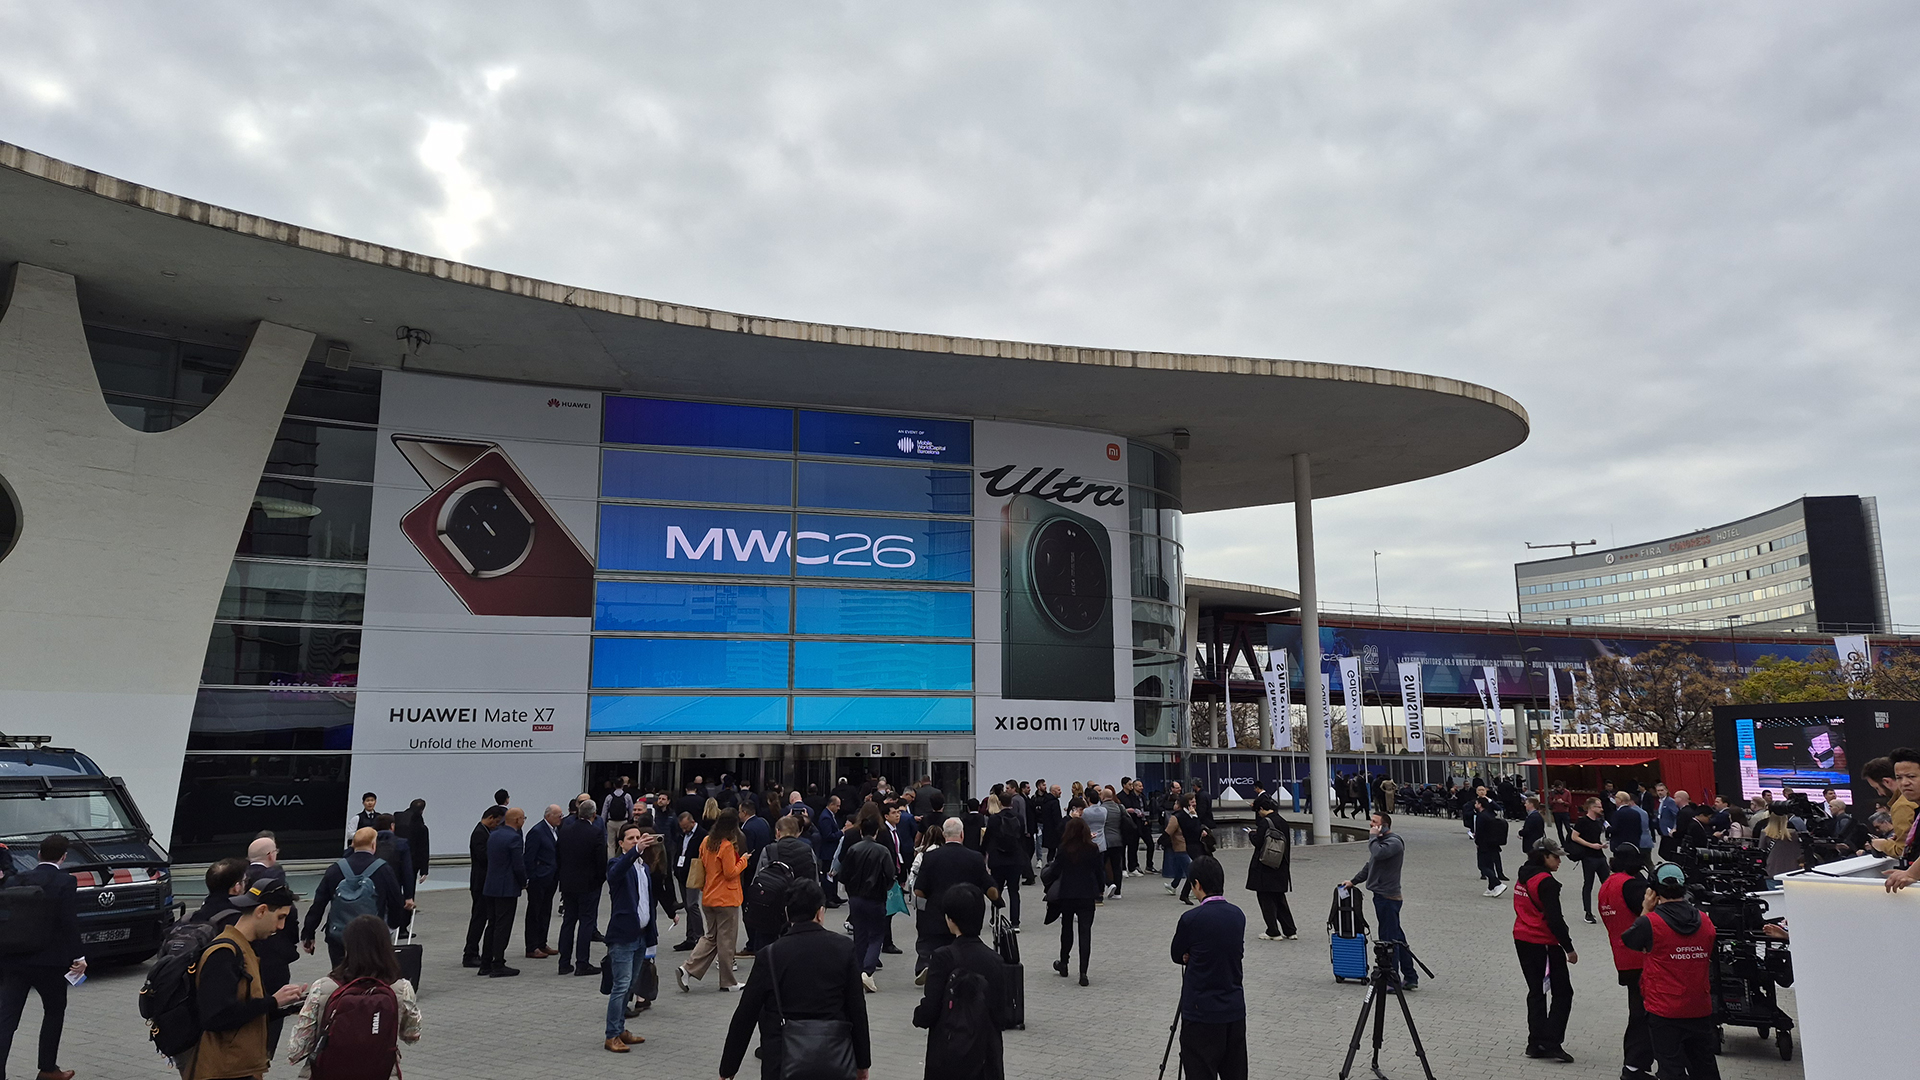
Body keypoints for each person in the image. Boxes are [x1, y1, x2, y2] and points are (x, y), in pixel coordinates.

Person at [718, 879, 871, 1080]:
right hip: (833, 1057)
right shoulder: (844, 949)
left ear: (788, 914)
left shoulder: (770, 955)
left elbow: (745, 1015)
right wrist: (862, 1063)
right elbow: (857, 1010)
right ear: (820, 912)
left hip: (781, 1060)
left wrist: (728, 1069)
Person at [190, 879, 309, 1080]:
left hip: (239, 1068)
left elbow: (244, 1011)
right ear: (261, 911)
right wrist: (272, 1001)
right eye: (280, 917)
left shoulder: (244, 947)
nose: (281, 926)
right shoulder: (224, 953)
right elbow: (216, 1017)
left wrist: (287, 1006)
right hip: (225, 1071)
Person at [285, 915, 421, 1079]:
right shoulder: (401, 988)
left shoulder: (323, 987)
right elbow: (412, 1035)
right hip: (381, 1073)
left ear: (347, 946)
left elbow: (296, 1050)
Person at [1622, 864, 1718, 1079]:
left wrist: (1646, 908)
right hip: (1699, 1006)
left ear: (1654, 890)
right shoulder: (1705, 920)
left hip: (1665, 1009)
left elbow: (1629, 940)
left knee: (1670, 1067)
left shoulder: (1650, 923)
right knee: (1705, 1066)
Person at [0, 835, 84, 1080]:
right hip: (50, 962)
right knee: (54, 1011)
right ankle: (48, 1069)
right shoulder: (65, 881)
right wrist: (78, 955)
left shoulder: (18, 878)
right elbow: (69, 922)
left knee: (7, 1018)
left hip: (15, 959)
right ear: (64, 856)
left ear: (38, 854)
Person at [912, 883, 1010, 1080]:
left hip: (948, 1052)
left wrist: (918, 1015)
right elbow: (1002, 1015)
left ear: (950, 919)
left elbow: (930, 1010)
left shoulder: (942, 957)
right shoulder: (995, 960)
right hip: (985, 1055)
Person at [602, 822, 678, 1053]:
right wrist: (635, 852)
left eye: (639, 838)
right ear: (621, 843)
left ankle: (621, 1028)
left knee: (630, 985)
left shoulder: (643, 867)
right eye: (631, 838)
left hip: (642, 935)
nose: (637, 841)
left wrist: (652, 934)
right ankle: (611, 1035)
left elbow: (647, 901)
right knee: (621, 985)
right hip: (623, 936)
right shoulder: (617, 863)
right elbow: (615, 874)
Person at [1169, 856, 1247, 1080]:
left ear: (1197, 885)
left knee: (1200, 1070)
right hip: (1233, 1008)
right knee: (1235, 1072)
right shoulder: (1237, 915)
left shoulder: (1191, 919)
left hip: (1200, 1011)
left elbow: (1177, 954)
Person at [1512, 838, 1578, 1063]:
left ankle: (1535, 1042)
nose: (1559, 861)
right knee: (1563, 992)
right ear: (1544, 856)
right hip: (1544, 943)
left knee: (1536, 991)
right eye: (1556, 857)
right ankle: (1551, 1042)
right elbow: (1555, 919)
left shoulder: (1523, 875)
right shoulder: (1546, 882)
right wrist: (1568, 948)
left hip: (1522, 938)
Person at [301, 828, 406, 968]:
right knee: (371, 975)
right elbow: (396, 902)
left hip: (339, 936)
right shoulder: (383, 870)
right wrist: (390, 927)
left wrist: (308, 933)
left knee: (340, 975)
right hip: (372, 935)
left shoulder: (335, 869)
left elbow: (319, 903)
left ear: (353, 845)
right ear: (374, 845)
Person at [1341, 811, 1418, 989]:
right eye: (1371, 822)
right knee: (1397, 937)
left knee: (1389, 939)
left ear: (1384, 825)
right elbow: (1370, 866)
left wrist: (1372, 838)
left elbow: (1378, 853)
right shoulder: (1380, 843)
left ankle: (1392, 979)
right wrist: (1353, 882)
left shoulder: (1393, 842)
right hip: (1380, 896)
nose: (1371, 825)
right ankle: (1411, 976)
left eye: (1374, 822)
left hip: (1389, 897)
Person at [1598, 844, 1655, 1078]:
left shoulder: (1607, 885)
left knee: (1638, 1013)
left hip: (1623, 957)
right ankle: (1635, 1066)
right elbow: (1652, 913)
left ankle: (1634, 1065)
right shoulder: (1632, 885)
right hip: (1643, 959)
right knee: (1645, 1016)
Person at [678, 807, 750, 992]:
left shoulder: (706, 841)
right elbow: (730, 872)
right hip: (726, 898)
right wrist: (743, 860)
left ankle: (687, 968)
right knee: (726, 940)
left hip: (709, 896)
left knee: (710, 937)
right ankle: (728, 981)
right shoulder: (726, 846)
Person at [913, 818, 994, 982]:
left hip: (936, 911)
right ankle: (958, 970)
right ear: (962, 834)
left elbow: (918, 890)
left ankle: (930, 965)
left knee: (933, 941)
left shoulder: (929, 857)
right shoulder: (975, 858)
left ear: (943, 835)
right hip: (966, 912)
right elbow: (988, 886)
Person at [243, 837, 301, 1054]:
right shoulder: (274, 879)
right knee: (275, 1005)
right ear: (271, 855)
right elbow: (291, 913)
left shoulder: (239, 877)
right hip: (274, 958)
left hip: (245, 954)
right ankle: (265, 1054)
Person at [1041, 816, 1103, 986]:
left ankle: (1064, 962)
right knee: (1085, 932)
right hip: (1087, 894)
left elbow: (1055, 870)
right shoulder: (1092, 848)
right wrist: (1100, 889)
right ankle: (1083, 972)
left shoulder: (1064, 849)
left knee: (1066, 929)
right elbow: (1099, 871)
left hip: (1067, 893)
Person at [841, 815, 901, 992]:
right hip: (876, 897)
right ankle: (867, 971)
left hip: (856, 898)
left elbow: (844, 875)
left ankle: (859, 971)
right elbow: (890, 875)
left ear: (861, 831)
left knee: (859, 934)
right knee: (876, 936)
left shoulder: (853, 849)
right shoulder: (882, 851)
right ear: (876, 832)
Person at [556, 797, 607, 976]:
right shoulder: (596, 833)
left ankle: (563, 963)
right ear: (594, 815)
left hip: (568, 883)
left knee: (568, 921)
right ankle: (582, 963)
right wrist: (600, 880)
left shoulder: (565, 831)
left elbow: (559, 856)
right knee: (586, 921)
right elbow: (601, 861)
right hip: (589, 884)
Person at [478, 808, 528, 977]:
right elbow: (518, 864)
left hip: (490, 886)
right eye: (523, 818)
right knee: (503, 926)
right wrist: (524, 882)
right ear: (518, 820)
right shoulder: (514, 838)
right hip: (506, 888)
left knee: (491, 924)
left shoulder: (494, 834)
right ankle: (498, 963)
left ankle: (485, 963)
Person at [462, 804, 506, 968]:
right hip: (480, 883)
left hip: (485, 882)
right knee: (479, 918)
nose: (497, 826)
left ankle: (476, 951)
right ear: (491, 818)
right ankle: (470, 953)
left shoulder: (487, 832)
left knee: (484, 917)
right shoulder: (479, 833)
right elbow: (484, 857)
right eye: (497, 822)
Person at [1245, 798, 1295, 940]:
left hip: (1264, 866)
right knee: (1279, 898)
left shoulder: (1264, 823)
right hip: (1280, 865)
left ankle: (1273, 931)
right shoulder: (1282, 821)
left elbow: (1258, 842)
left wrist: (1251, 834)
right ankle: (1290, 930)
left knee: (1265, 898)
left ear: (1262, 809)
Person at [524, 804, 562, 960]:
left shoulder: (555, 830)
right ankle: (531, 946)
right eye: (558, 815)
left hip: (552, 877)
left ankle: (542, 942)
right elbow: (529, 857)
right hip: (539, 878)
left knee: (546, 910)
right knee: (535, 912)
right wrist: (532, 876)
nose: (561, 818)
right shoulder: (537, 831)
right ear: (549, 816)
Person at [983, 794, 1027, 929]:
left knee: (997, 890)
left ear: (1000, 803)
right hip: (1015, 859)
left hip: (998, 859)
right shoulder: (1018, 817)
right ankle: (1015, 923)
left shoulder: (994, 819)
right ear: (1012, 803)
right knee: (1014, 891)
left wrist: (983, 852)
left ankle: (994, 919)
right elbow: (1022, 838)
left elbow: (988, 838)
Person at [1569, 797, 1610, 923]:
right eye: (1598, 806)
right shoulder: (1582, 821)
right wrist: (1590, 845)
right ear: (1591, 807)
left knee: (1607, 883)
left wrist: (1601, 844)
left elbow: (1595, 837)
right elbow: (1574, 836)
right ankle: (1588, 912)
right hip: (1588, 856)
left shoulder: (1598, 821)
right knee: (1588, 884)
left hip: (1600, 855)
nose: (1601, 809)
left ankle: (1609, 908)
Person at [1163, 794, 1198, 901]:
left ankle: (1186, 888)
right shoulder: (1181, 816)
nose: (1194, 803)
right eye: (1191, 801)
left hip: (1184, 845)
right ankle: (1176, 886)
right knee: (1183, 868)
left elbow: (1169, 831)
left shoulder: (1184, 815)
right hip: (1183, 845)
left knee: (1186, 869)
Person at [1474, 797, 1509, 897]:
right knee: (1490, 865)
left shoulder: (1481, 816)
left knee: (1482, 866)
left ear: (1480, 805)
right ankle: (1491, 887)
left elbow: (1479, 831)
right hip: (1493, 843)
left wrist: (1477, 842)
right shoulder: (1490, 814)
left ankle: (1498, 884)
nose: (1475, 805)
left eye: (1476, 803)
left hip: (1484, 844)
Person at [1097, 786, 1127, 899]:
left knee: (1101, 866)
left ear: (1103, 797)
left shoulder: (1101, 809)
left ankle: (1108, 884)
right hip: (1118, 840)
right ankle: (1118, 892)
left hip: (1105, 841)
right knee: (1116, 867)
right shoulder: (1120, 807)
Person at [604, 776, 635, 856]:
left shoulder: (609, 797)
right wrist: (630, 820)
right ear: (623, 785)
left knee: (610, 844)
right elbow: (631, 810)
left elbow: (604, 812)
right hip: (623, 822)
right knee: (622, 843)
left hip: (611, 822)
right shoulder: (627, 796)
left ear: (614, 785)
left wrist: (603, 822)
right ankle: (621, 859)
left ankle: (610, 861)